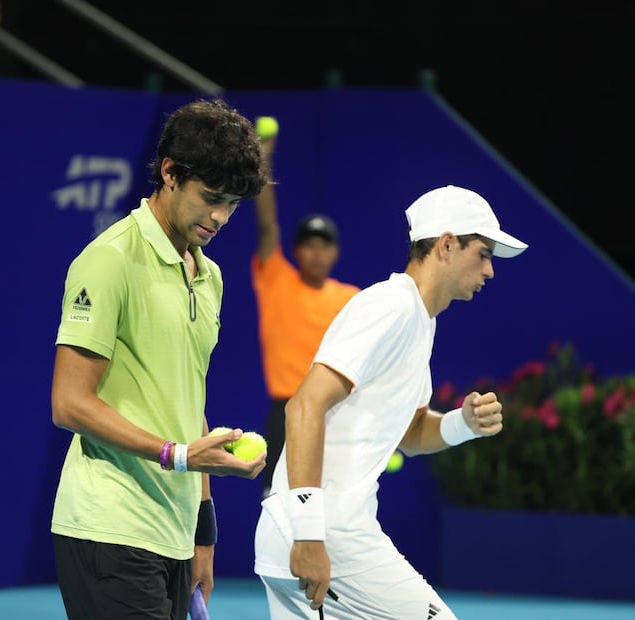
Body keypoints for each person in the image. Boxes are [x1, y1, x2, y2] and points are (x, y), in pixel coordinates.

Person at [254, 184, 528, 619]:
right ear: (446, 244)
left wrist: (464, 423)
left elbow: (412, 433)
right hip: (325, 536)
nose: (490, 271)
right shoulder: (391, 307)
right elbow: (303, 406)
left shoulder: (420, 321)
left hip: (307, 533)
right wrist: (309, 536)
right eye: (484, 253)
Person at [50, 98, 270, 620]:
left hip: (173, 535)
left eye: (233, 204)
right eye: (211, 197)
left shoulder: (208, 276)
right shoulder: (109, 261)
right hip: (110, 528)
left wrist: (203, 532)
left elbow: (185, 400)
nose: (220, 217)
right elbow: (69, 403)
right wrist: (178, 455)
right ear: (170, 173)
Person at [251, 125, 359, 498]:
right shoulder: (276, 280)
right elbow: (267, 227)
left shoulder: (351, 298)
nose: (316, 252)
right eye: (308, 245)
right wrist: (263, 158)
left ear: (336, 253)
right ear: (296, 252)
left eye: (324, 245)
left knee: (334, 510)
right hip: (286, 414)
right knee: (279, 507)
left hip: (336, 416)